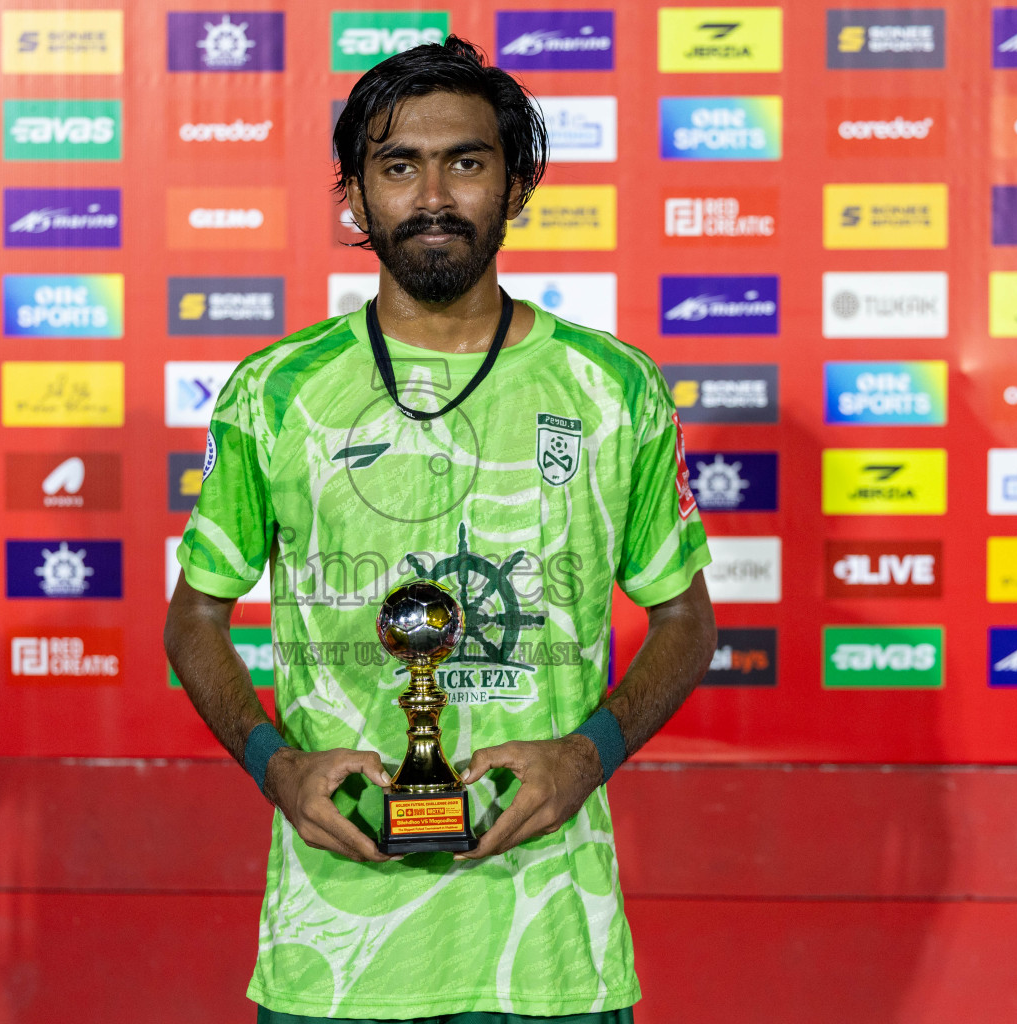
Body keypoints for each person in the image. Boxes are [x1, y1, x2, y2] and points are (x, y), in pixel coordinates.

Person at [164, 36, 716, 1024]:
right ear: (354, 192)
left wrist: (586, 754)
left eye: (465, 160)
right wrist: (276, 766)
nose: (432, 195)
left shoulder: (613, 388)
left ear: (517, 183)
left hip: (552, 954)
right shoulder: (276, 392)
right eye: (397, 165)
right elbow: (194, 617)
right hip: (333, 954)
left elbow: (686, 620)